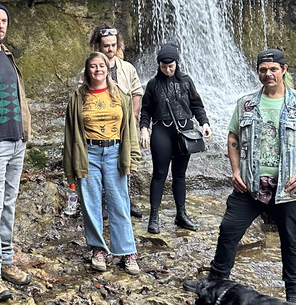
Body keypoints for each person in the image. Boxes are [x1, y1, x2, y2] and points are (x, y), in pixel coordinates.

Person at [183, 49, 296, 305]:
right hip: (250, 185)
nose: (268, 74)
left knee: (291, 241)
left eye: (273, 69)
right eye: (263, 70)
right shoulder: (246, 104)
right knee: (228, 229)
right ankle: (214, 282)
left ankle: (294, 296)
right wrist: (236, 170)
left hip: (288, 188)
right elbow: (232, 136)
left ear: (284, 70)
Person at [63, 52, 141, 275]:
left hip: (115, 152)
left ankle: (127, 252)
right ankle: (98, 249)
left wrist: (133, 157)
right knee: (91, 204)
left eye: (101, 66)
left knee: (119, 202)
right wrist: (70, 168)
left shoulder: (121, 95)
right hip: (88, 153)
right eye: (93, 67)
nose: (98, 70)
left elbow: (130, 129)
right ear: (87, 71)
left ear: (108, 68)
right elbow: (70, 135)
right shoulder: (78, 98)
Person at [0, 3, 32, 302]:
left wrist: (27, 130)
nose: (0, 26)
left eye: (4, 21)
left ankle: (6, 261)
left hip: (17, 140)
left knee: (9, 204)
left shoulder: (9, 56)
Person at [139, 43, 211, 234]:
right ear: (159, 65)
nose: (168, 69)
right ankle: (154, 216)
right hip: (162, 130)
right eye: (164, 66)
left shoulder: (186, 82)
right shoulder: (153, 85)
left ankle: (181, 214)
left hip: (184, 131)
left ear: (177, 64)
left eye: (171, 66)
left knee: (180, 174)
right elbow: (146, 109)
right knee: (159, 174)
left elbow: (197, 105)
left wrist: (204, 123)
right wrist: (144, 128)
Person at [88, 23, 145, 218]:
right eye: (106, 46)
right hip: (101, 128)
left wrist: (134, 117)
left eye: (113, 45)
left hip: (124, 125)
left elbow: (137, 92)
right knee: (102, 164)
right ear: (98, 47)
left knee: (126, 162)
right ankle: (104, 205)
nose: (110, 49)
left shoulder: (127, 68)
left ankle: (125, 202)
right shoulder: (92, 69)